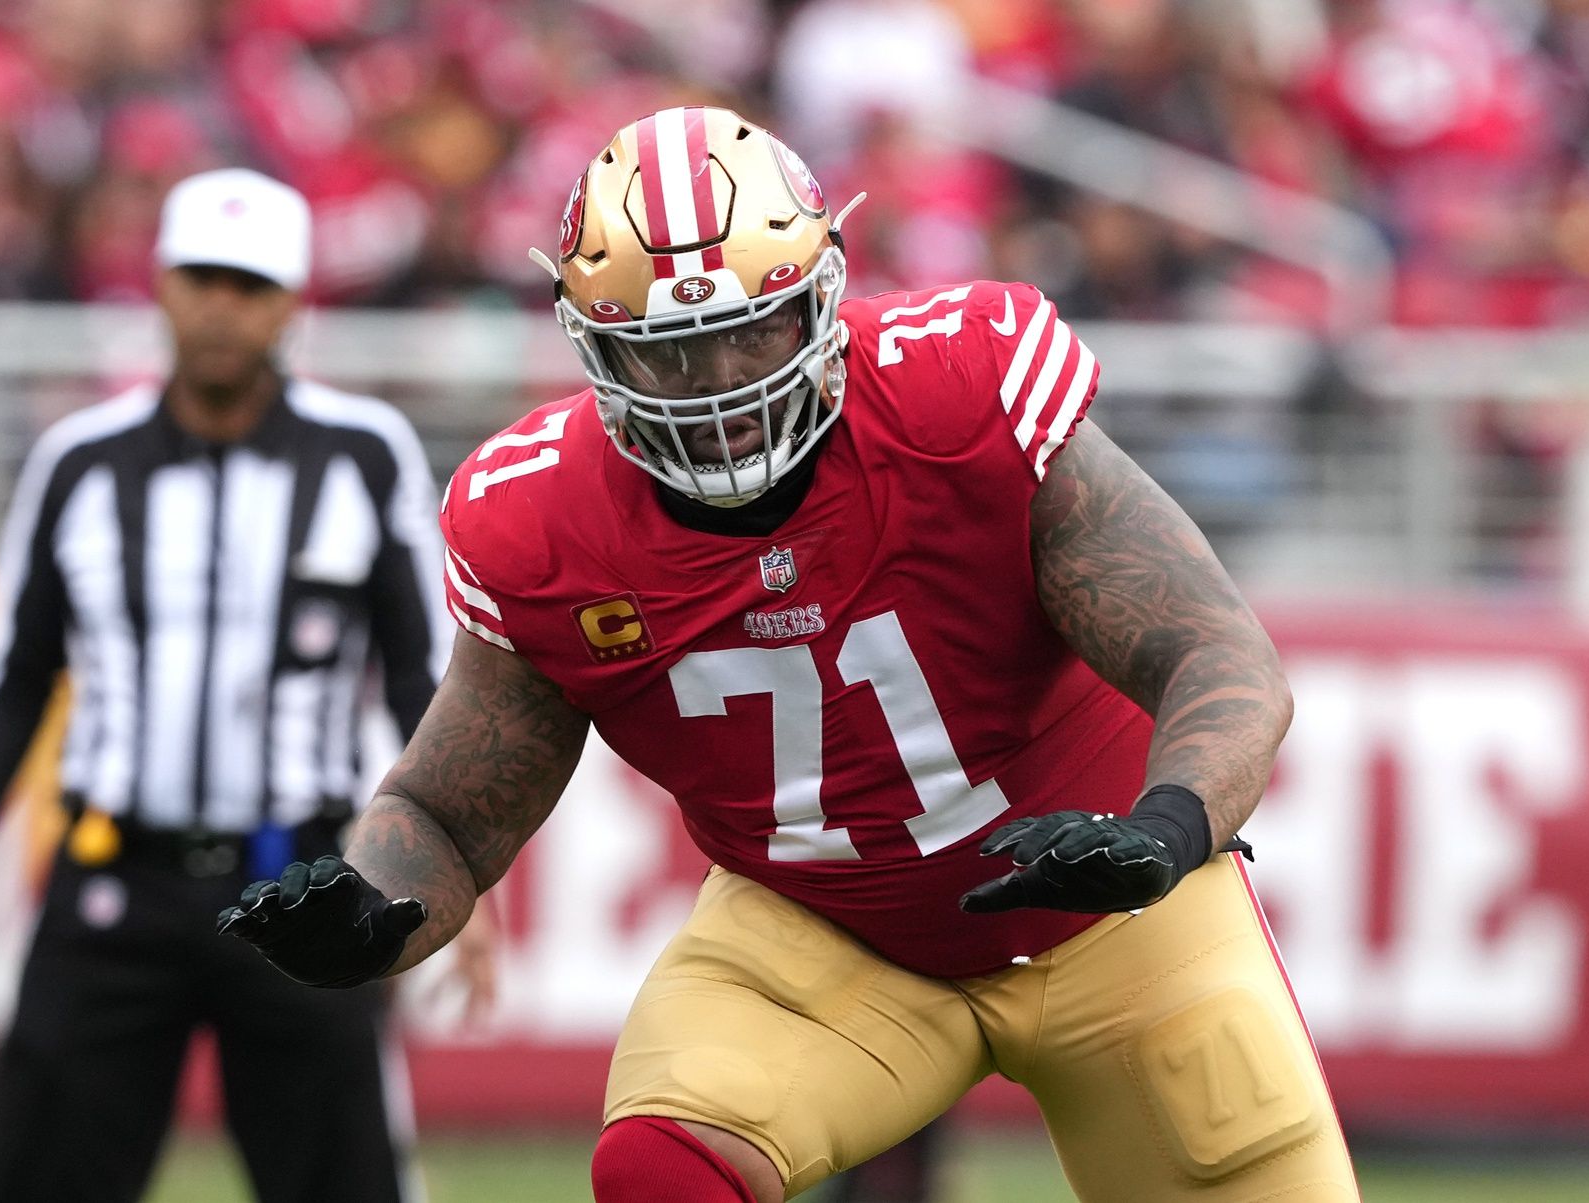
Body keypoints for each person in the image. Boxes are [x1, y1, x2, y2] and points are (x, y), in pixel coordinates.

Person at [222, 107, 1363, 1202]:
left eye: (746, 331)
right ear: (596, 350)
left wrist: (1162, 831)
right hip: (827, 937)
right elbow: (448, 813)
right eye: (671, 353)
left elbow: (1214, 652)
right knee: (660, 1170)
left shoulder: (957, 394)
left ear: (822, 294)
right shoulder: (544, 523)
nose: (720, 387)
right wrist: (374, 906)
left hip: (1122, 906)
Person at [0, 167, 484, 1203]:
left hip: (303, 880)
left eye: (248, 285)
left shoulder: (363, 455)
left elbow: (425, 675)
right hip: (113, 881)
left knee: (350, 1183)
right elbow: (12, 680)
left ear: (293, 303)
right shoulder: (79, 462)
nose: (220, 306)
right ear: (159, 284)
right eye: (201, 277)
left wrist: (462, 860)